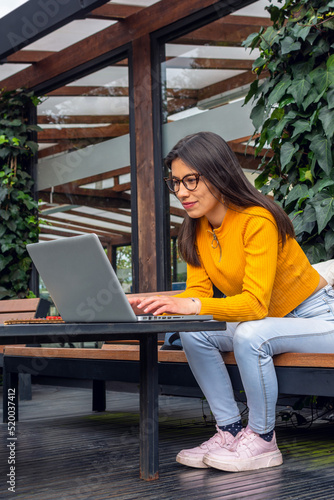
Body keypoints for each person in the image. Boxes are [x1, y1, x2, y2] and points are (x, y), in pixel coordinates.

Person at [128, 131, 334, 473]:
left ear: (219, 173)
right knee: (195, 333)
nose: (181, 192)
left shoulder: (257, 219)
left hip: (319, 320)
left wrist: (192, 307)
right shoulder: (195, 229)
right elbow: (198, 296)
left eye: (190, 180)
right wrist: (155, 305)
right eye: (175, 182)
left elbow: (253, 306)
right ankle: (230, 431)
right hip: (270, 323)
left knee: (250, 335)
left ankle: (263, 440)